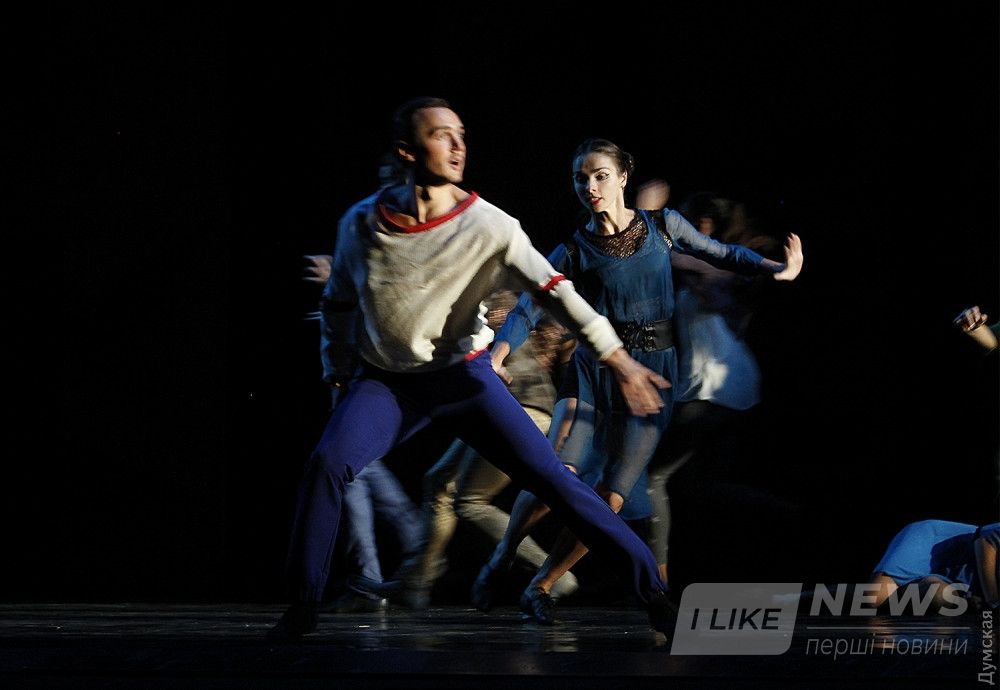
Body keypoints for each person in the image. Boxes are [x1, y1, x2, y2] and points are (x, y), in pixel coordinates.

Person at [268, 97, 676, 640]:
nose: (458, 145)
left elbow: (557, 293)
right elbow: (340, 302)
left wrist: (618, 358)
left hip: (463, 378)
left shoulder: (489, 225)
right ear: (407, 150)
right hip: (389, 383)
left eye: (461, 134)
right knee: (326, 464)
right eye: (441, 135)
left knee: (554, 481)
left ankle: (654, 595)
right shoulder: (361, 222)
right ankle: (302, 606)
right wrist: (336, 369)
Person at [474, 138, 803, 625]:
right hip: (595, 370)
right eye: (581, 179)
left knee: (611, 497)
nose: (590, 187)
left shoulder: (664, 226)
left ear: (623, 177)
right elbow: (528, 306)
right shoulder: (573, 250)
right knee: (560, 474)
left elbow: (719, 253)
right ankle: (503, 555)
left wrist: (776, 268)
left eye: (600, 176)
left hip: (654, 372)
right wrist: (497, 355)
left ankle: (541, 584)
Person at [640, 187, 779, 583]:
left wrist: (644, 214)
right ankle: (777, 521)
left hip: (717, 389)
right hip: (722, 390)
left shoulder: (718, 268)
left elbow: (661, 253)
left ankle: (656, 580)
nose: (694, 229)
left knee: (653, 478)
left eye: (700, 223)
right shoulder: (705, 270)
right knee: (698, 486)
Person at [868, 519, 999, 613]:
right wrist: (993, 601)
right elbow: (985, 540)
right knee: (874, 599)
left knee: (941, 597)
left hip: (958, 579)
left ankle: (927, 586)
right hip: (933, 544)